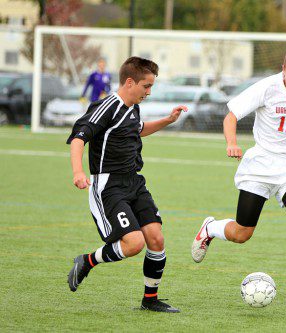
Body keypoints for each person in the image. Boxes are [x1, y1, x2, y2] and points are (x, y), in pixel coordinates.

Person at [191, 49, 286, 311]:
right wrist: (232, 143)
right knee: (242, 233)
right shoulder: (266, 88)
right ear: (283, 69)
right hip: (260, 167)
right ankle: (210, 229)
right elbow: (231, 116)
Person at [67, 56, 187, 313]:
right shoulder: (107, 106)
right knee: (134, 243)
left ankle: (150, 300)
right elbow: (79, 138)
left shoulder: (133, 107)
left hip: (135, 182)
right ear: (130, 82)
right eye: (146, 86)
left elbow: (138, 129)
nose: (149, 91)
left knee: (156, 238)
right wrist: (78, 172)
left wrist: (167, 120)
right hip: (109, 187)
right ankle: (88, 261)